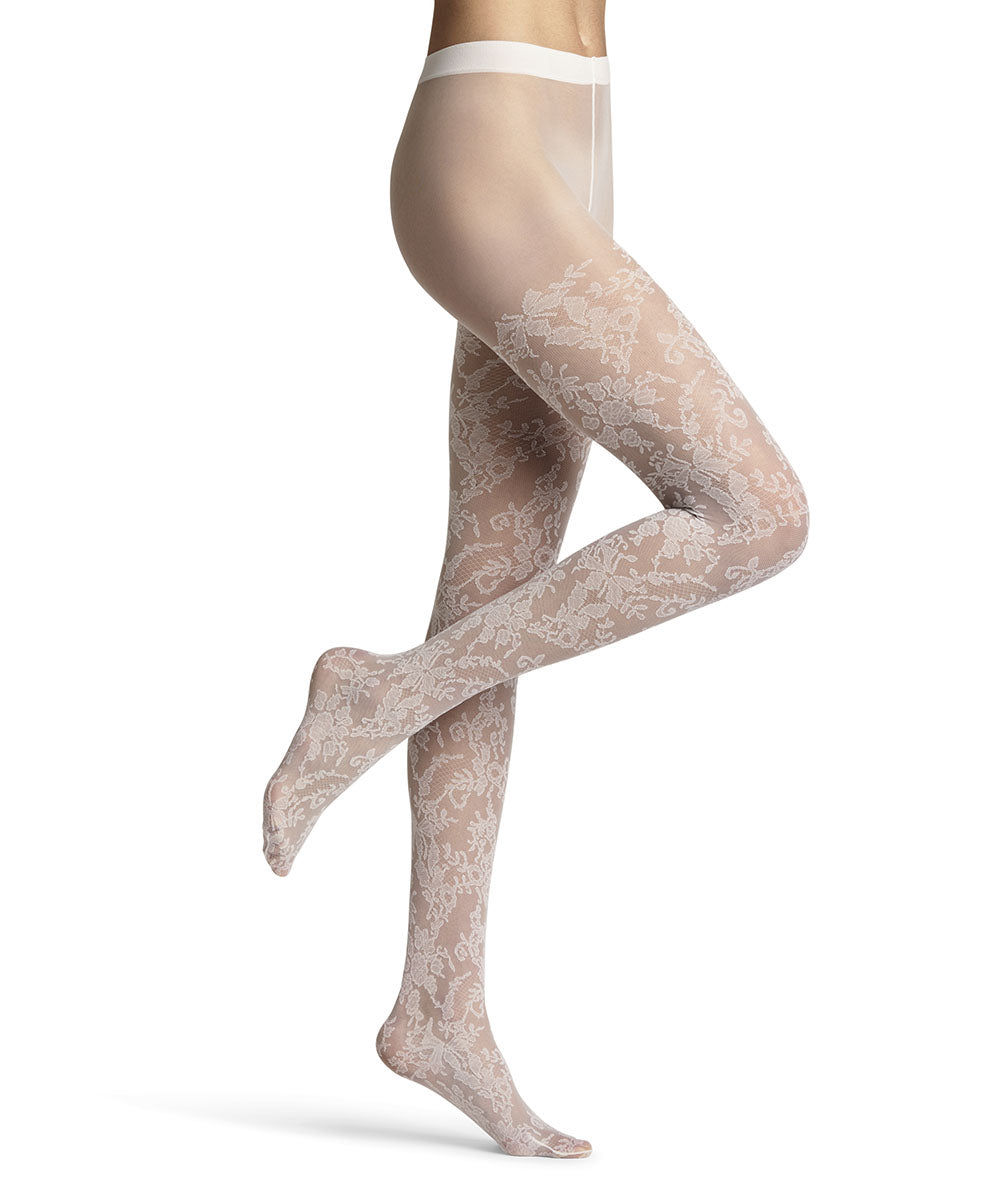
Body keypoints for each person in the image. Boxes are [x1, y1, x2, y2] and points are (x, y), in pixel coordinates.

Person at [262, 0, 809, 1158]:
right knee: (756, 514)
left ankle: (438, 1006)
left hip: (574, 133)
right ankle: (377, 693)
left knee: (494, 598)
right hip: (488, 140)